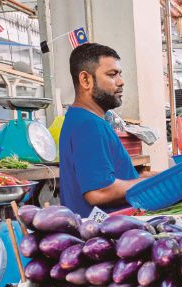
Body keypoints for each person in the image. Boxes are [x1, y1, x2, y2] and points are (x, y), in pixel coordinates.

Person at [58, 43, 151, 217]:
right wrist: (149, 183)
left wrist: (147, 177)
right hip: (105, 235)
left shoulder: (83, 119)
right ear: (86, 80)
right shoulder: (88, 125)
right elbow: (99, 192)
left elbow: (110, 174)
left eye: (120, 74)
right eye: (112, 75)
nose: (121, 82)